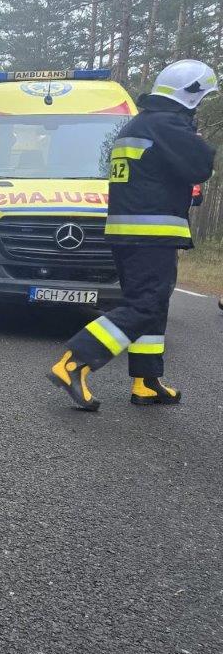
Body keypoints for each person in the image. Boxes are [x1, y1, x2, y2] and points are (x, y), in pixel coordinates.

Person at [48, 59, 217, 411]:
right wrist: (195, 137)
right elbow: (200, 166)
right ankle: (74, 361)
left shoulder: (139, 124)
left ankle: (146, 381)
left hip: (128, 234)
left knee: (151, 306)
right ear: (190, 97)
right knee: (144, 305)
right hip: (151, 234)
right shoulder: (168, 126)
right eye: (201, 100)